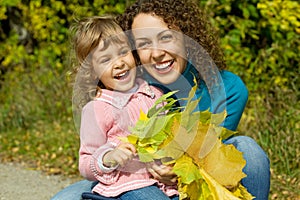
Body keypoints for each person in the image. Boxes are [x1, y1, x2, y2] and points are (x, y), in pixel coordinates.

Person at [51, 1, 270, 199]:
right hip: (132, 181)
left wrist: (180, 169)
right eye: (144, 43)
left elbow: (212, 154)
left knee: (248, 149)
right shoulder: (133, 85)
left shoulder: (227, 89)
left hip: (195, 179)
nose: (156, 53)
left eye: (166, 37)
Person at [68, 16, 178, 200]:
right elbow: (86, 163)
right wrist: (108, 157)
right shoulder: (97, 108)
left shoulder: (155, 94)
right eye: (105, 60)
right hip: (127, 187)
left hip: (166, 185)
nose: (119, 63)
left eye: (122, 52)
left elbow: (171, 139)